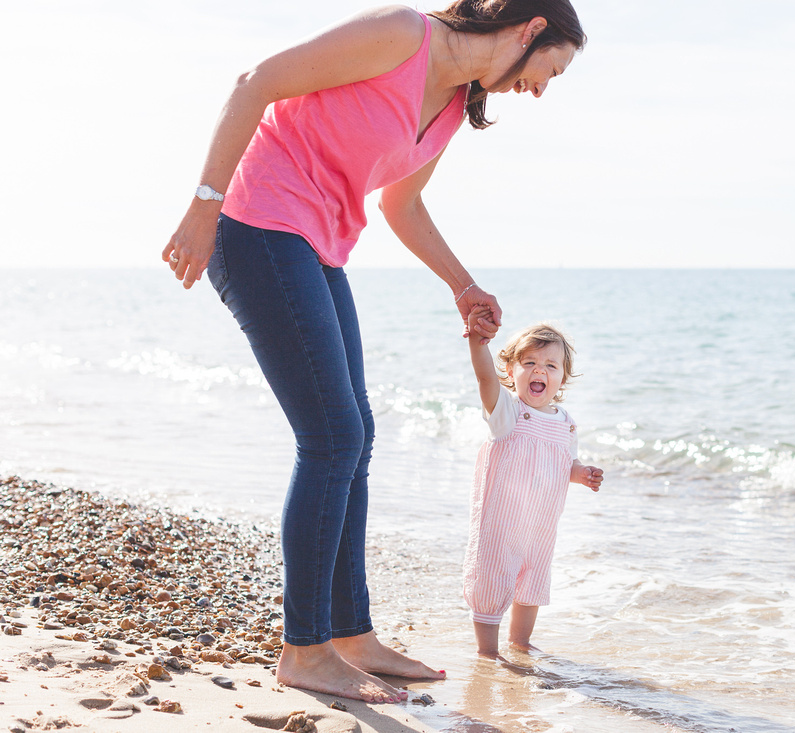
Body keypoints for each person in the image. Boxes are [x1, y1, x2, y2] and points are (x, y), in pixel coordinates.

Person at [161, 0, 586, 704]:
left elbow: (401, 204)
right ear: (530, 28)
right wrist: (205, 204)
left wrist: (463, 284)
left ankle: (351, 635)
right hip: (258, 225)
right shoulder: (402, 34)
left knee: (355, 436)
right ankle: (304, 649)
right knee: (332, 436)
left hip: (318, 246)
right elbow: (255, 82)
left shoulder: (454, 104)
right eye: (552, 67)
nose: (543, 87)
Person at [462, 308, 603, 658]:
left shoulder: (566, 423)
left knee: (532, 579)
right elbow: (484, 381)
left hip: (540, 525)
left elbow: (565, 463)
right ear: (511, 371)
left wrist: (581, 473)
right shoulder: (507, 413)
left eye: (551, 366)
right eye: (529, 363)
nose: (540, 370)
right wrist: (478, 344)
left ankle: (520, 642)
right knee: (494, 577)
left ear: (562, 378)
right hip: (503, 521)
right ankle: (487, 651)